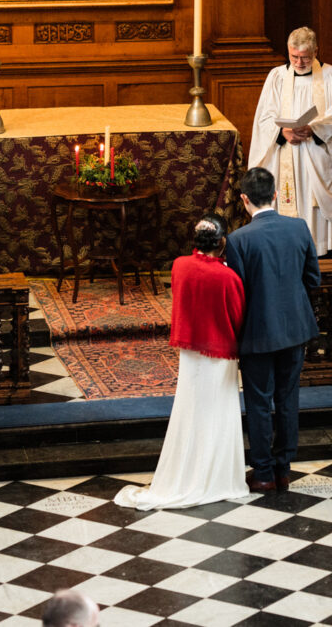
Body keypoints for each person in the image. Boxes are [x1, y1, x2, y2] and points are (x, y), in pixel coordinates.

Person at [115, 215, 249, 510]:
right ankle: (219, 478)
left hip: (190, 352)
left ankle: (187, 472)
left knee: (190, 409)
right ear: (223, 243)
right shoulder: (229, 278)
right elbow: (238, 317)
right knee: (219, 411)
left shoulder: (179, 266)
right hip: (220, 353)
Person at [224, 168, 320, 493]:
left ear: (244, 200)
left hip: (258, 333)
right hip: (295, 331)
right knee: (287, 398)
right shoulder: (299, 227)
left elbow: (237, 294)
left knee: (259, 402)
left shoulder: (238, 240)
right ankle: (283, 471)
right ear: (276, 195)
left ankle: (263, 473)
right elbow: (313, 279)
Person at [246, 27, 332, 259]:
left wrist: (314, 128)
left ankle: (324, 259)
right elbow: (263, 118)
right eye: (294, 56)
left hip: (318, 157)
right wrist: (281, 132)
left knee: (318, 212)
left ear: (316, 51)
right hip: (285, 154)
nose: (299, 62)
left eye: (305, 57)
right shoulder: (276, 77)